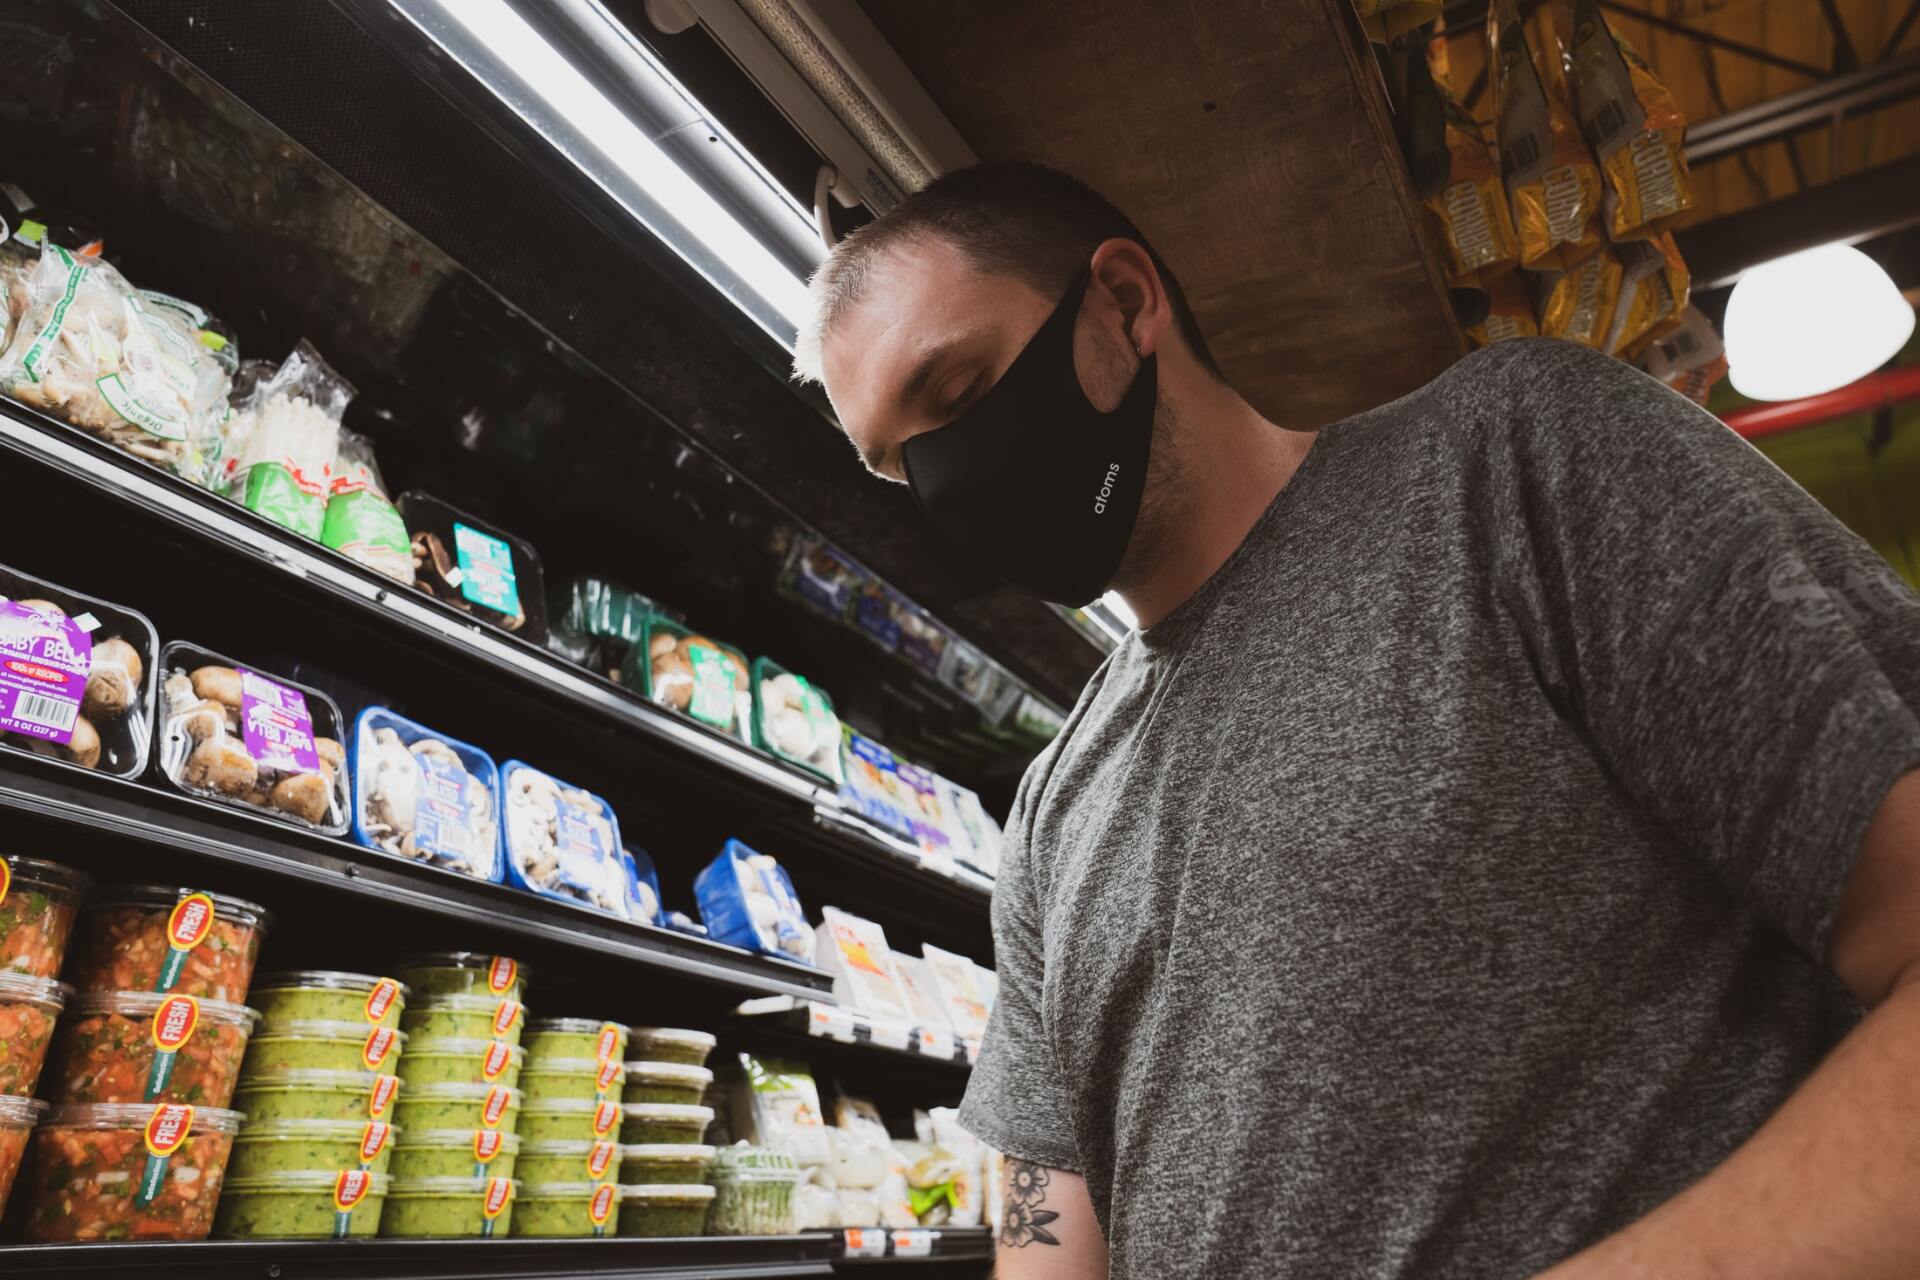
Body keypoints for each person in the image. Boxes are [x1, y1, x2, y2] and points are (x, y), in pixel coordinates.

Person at [791, 161, 1920, 1279]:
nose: (948, 484)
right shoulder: (1052, 813)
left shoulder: (1509, 465)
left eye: (959, 393)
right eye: (902, 468)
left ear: (1124, 304)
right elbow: (1047, 1225)